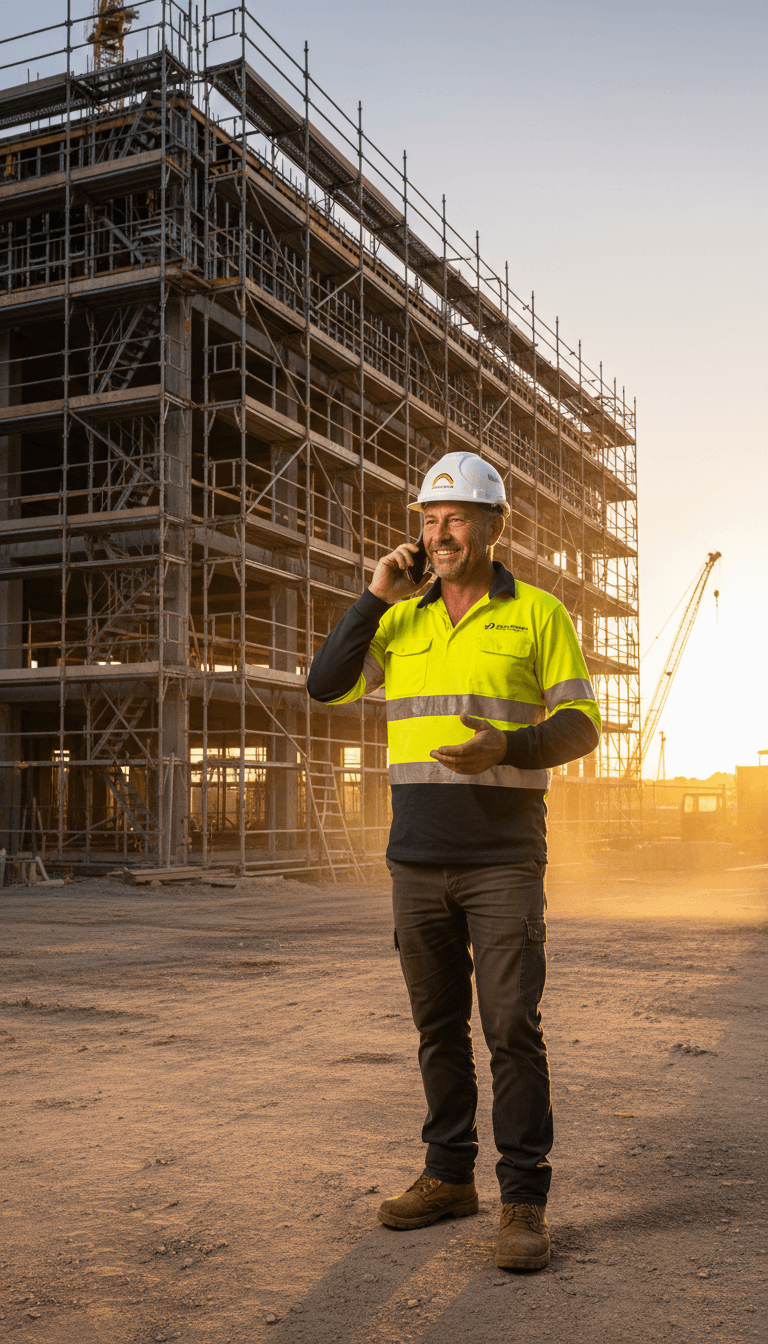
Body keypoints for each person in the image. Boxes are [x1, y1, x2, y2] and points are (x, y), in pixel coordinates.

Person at [306, 451, 600, 1271]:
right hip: (416, 859)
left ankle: (523, 1201)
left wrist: (506, 745)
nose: (439, 534)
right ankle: (447, 1178)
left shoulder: (540, 614)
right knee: (437, 1028)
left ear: (493, 527)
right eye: (429, 521)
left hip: (503, 859)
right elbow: (322, 685)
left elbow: (580, 725)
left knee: (510, 1026)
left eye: (456, 519)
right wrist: (373, 592)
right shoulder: (398, 621)